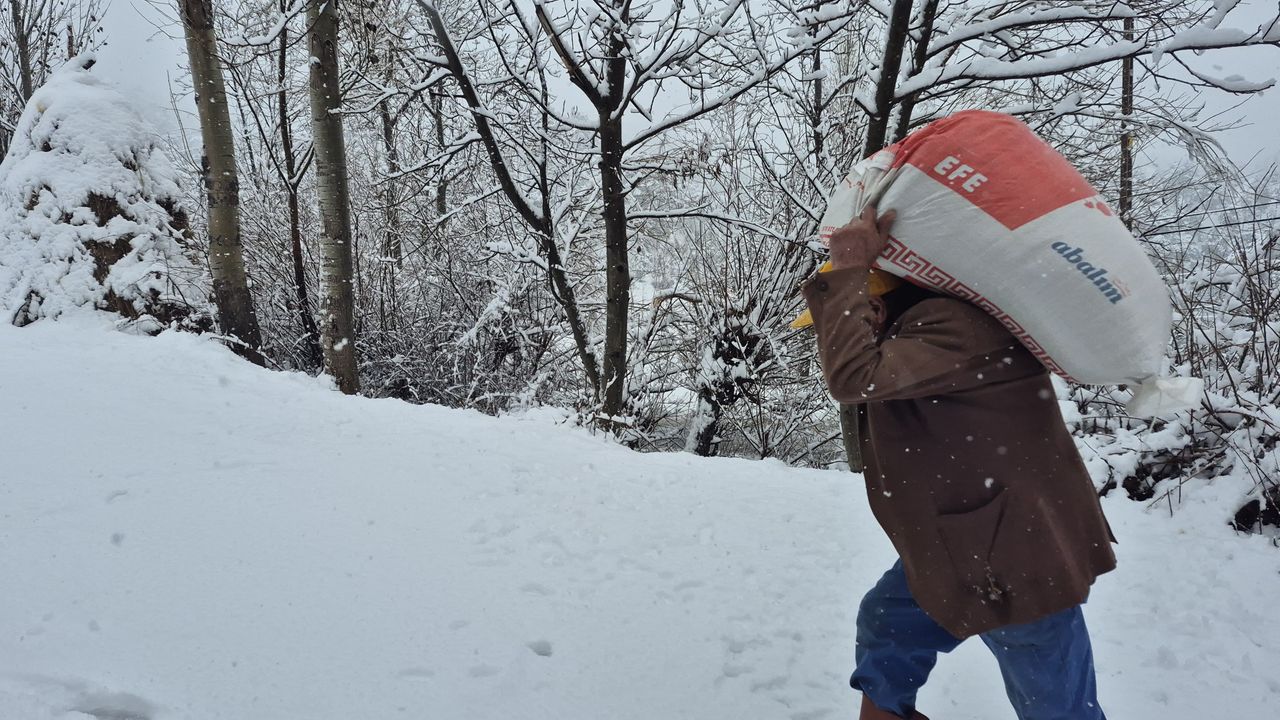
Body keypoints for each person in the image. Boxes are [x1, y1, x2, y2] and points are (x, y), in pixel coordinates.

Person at [797, 206, 1117, 720]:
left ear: (880, 302)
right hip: (959, 549)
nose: (851, 326)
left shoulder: (954, 327)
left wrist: (849, 265)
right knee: (886, 621)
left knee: (1055, 703)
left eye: (861, 310)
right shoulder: (917, 337)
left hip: (1016, 557)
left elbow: (854, 378)